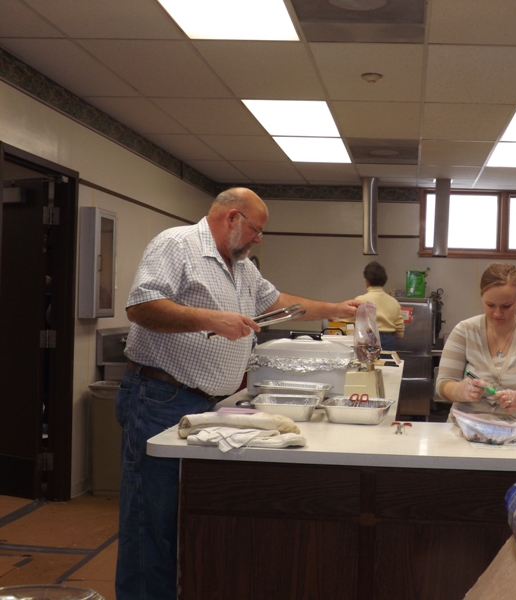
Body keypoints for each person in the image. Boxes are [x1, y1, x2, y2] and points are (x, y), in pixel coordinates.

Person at [115, 187, 360, 600]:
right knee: (151, 519)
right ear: (232, 217)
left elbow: (280, 304)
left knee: (185, 518)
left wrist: (336, 309)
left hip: (204, 404)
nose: (258, 239)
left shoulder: (241, 267)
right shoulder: (177, 244)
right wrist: (210, 319)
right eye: (256, 230)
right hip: (159, 397)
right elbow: (141, 307)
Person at [435, 262, 516, 425]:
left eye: (506, 306)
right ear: (482, 297)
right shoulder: (465, 331)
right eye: (490, 305)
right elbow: (443, 384)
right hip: (466, 427)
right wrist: (459, 390)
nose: (497, 313)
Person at [351, 261, 405, 351]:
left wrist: (335, 318)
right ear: (384, 281)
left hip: (368, 337)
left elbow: (350, 318)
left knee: (368, 359)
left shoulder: (360, 300)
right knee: (386, 359)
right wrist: (399, 334)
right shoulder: (394, 302)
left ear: (367, 280)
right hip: (389, 338)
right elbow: (399, 325)